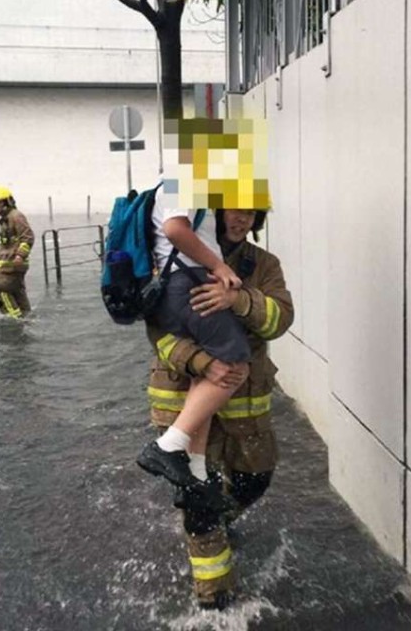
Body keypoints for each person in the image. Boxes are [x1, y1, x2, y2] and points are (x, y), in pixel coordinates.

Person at [145, 208, 293, 609]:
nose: (241, 219)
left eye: (250, 213)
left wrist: (239, 299)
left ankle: (219, 521)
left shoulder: (263, 264)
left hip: (246, 402)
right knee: (199, 499)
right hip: (186, 403)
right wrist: (200, 362)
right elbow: (158, 328)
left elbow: (281, 319)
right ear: (212, 209)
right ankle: (214, 600)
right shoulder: (177, 256)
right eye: (233, 209)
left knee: (255, 479)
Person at [135, 184, 251, 493]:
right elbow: (175, 229)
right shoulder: (183, 175)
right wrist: (219, 265)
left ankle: (196, 471)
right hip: (188, 281)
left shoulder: (186, 178)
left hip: (181, 281)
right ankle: (167, 446)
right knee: (235, 362)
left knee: (210, 369)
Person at [0, 185, 34, 318]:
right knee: (17, 292)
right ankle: (25, 316)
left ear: (7, 201)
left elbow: (28, 237)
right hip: (7, 265)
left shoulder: (16, 216)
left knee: (0, 289)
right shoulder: (5, 219)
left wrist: (20, 256)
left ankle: (14, 320)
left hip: (13, 264)